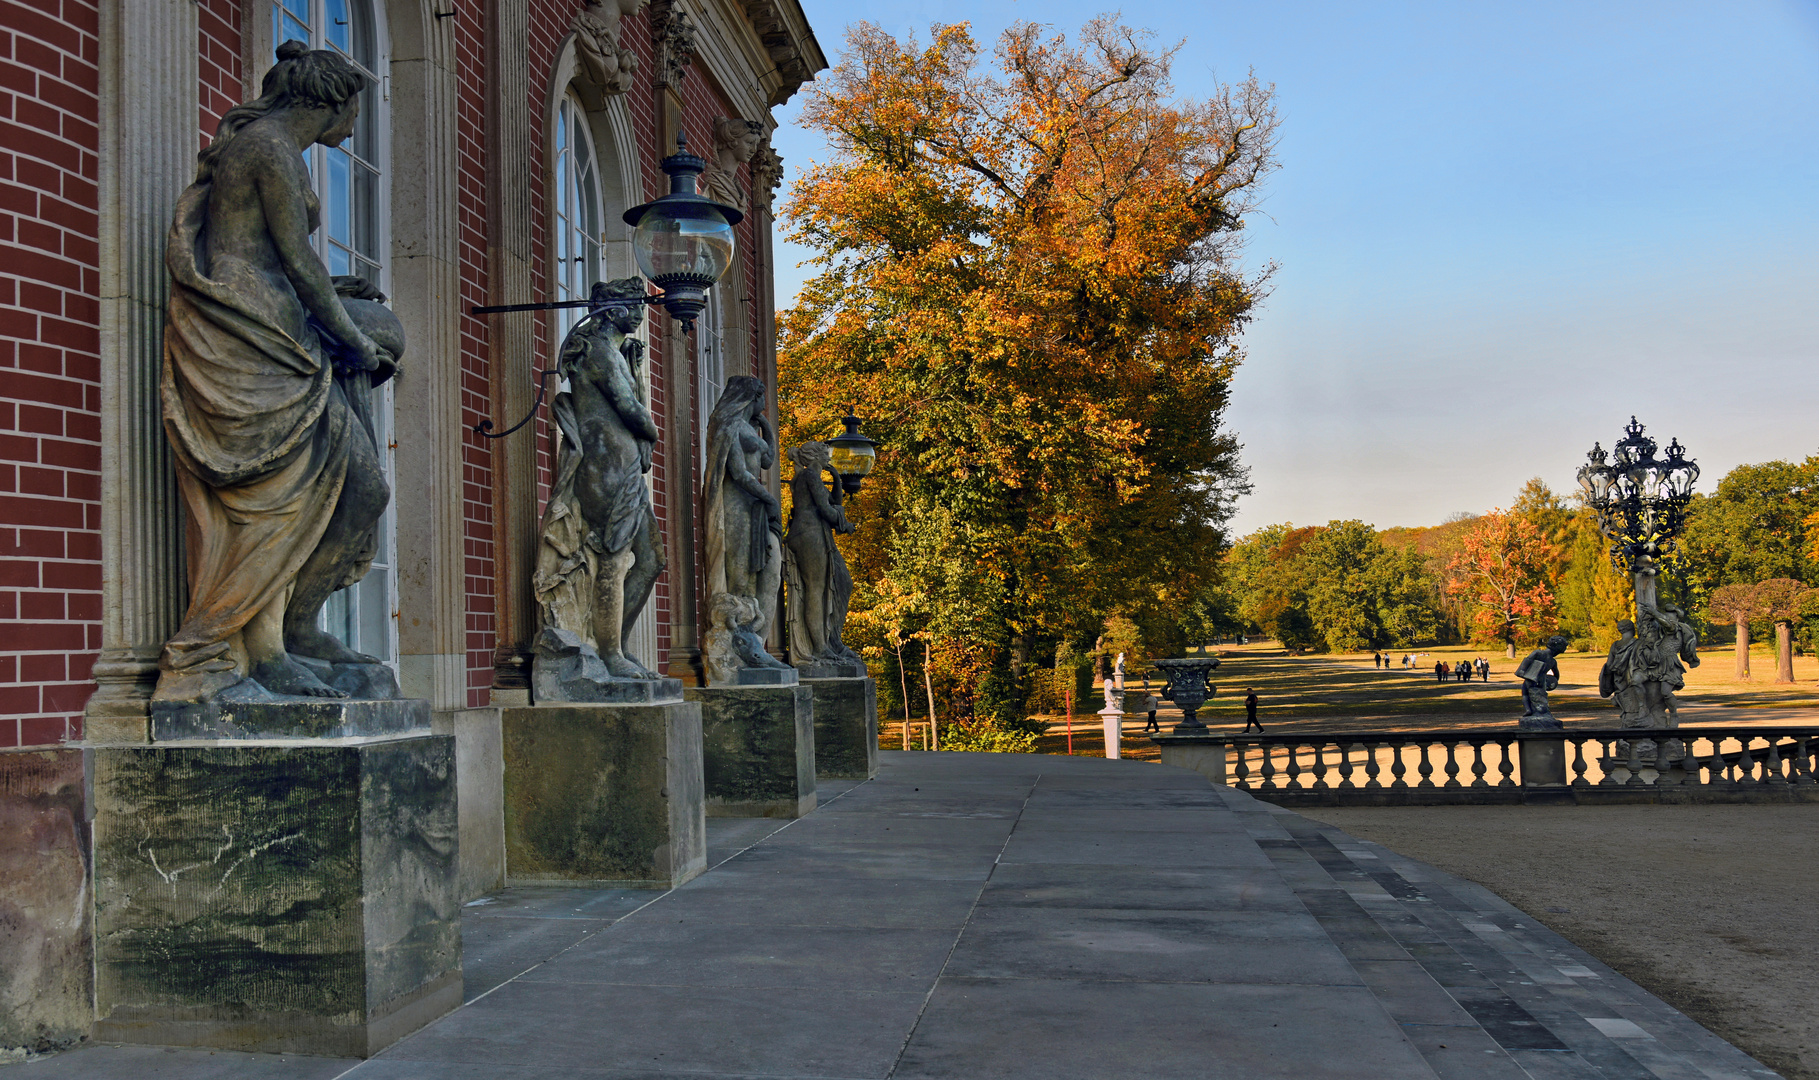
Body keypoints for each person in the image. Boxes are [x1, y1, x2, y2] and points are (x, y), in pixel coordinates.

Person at [156, 43, 401, 703]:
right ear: (331, 102)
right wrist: (353, 340)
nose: (356, 122)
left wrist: (333, 297)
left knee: (363, 489)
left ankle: (297, 629)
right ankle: (240, 649)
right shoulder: (267, 149)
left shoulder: (275, 152)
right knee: (273, 500)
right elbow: (295, 261)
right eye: (356, 104)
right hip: (252, 330)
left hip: (281, 325)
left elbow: (287, 258)